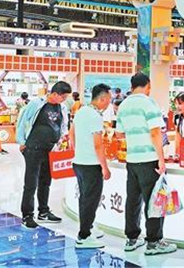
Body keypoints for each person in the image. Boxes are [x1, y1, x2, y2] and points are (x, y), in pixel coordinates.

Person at [115, 73, 175, 256]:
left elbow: (119, 134)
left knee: (133, 200)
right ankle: (154, 242)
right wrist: (161, 159)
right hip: (150, 160)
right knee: (154, 201)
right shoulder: (149, 103)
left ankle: (132, 239)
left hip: (132, 160)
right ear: (148, 86)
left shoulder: (123, 105)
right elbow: (156, 133)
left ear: (132, 86)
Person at [16, 81, 71, 229]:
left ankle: (43, 211)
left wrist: (63, 137)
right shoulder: (36, 103)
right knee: (31, 183)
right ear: (55, 94)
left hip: (51, 149)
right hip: (33, 148)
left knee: (46, 181)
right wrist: (21, 141)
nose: (64, 100)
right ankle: (27, 215)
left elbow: (63, 125)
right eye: (63, 97)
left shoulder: (62, 107)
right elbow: (22, 121)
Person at [70, 83, 113, 249]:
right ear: (102, 99)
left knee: (85, 199)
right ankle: (84, 236)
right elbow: (98, 145)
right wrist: (104, 167)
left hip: (79, 162)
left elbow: (71, 134)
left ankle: (88, 227)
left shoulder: (81, 111)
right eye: (108, 99)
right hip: (91, 165)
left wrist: (78, 151)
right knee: (90, 201)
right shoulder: (95, 116)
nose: (109, 102)